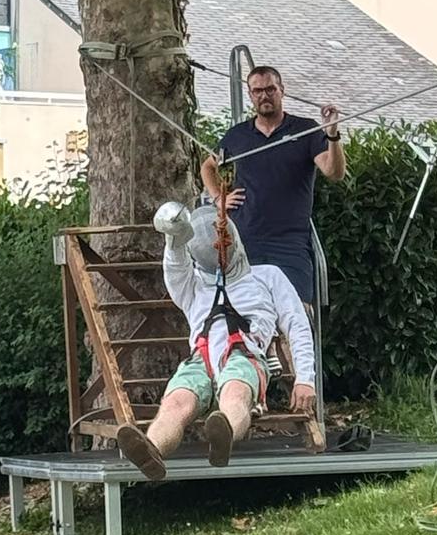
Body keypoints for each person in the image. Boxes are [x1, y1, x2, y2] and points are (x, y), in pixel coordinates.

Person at [116, 201, 316, 483]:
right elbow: (175, 265)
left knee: (235, 393)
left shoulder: (268, 276)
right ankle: (152, 450)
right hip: (200, 360)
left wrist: (305, 379)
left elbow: (298, 325)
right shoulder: (192, 283)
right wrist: (175, 235)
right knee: (176, 403)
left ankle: (224, 435)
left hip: (246, 357)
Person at [200, 64, 346, 304]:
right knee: (245, 312)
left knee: (298, 312)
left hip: (290, 243)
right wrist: (218, 198)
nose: (264, 96)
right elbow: (207, 167)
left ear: (281, 91)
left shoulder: (306, 129)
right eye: (257, 91)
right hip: (244, 241)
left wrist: (332, 134)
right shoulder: (237, 135)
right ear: (250, 95)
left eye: (270, 89)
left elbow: (334, 172)